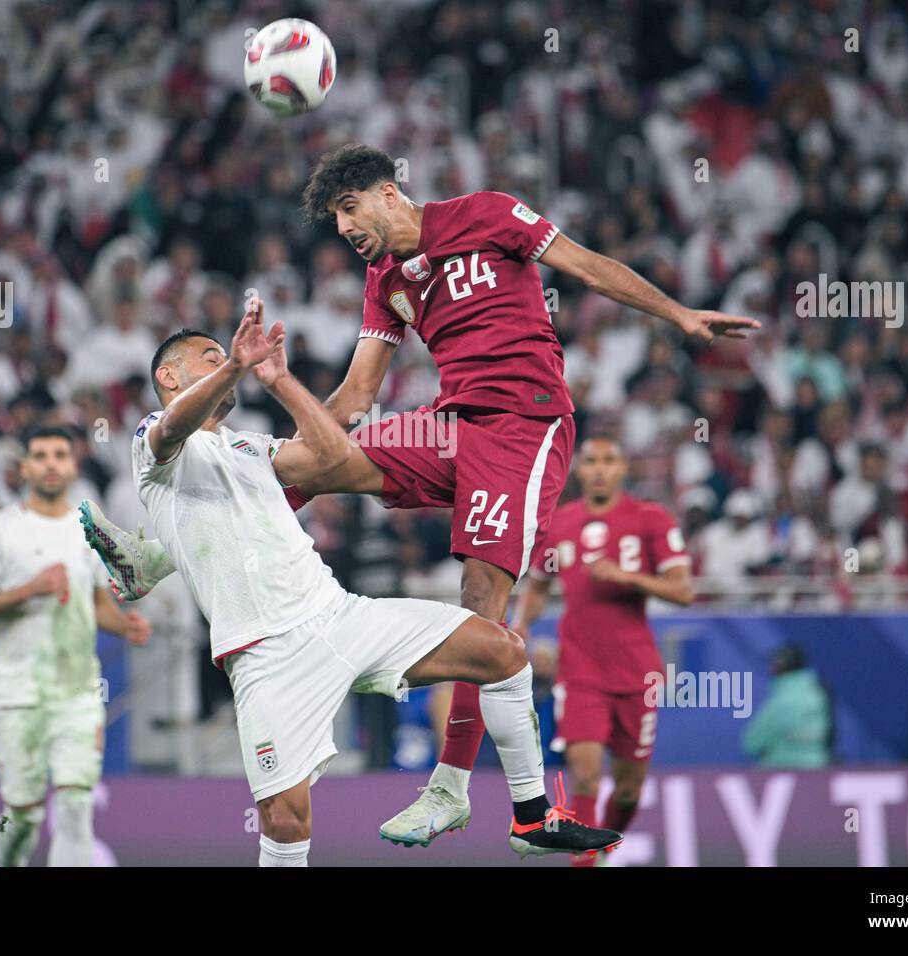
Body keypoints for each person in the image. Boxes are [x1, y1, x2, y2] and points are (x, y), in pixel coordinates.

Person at [84, 142, 758, 846]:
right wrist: (291, 420)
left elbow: (588, 268)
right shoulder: (385, 280)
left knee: (479, 608)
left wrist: (679, 315)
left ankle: (457, 789)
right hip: (448, 427)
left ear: (386, 192)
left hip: (524, 427)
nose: (345, 228)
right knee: (321, 462)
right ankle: (155, 556)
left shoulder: (489, 214)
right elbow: (355, 397)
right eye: (335, 219)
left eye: (349, 209)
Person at [83, 298, 621, 865]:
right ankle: (148, 561)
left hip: (340, 616)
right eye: (209, 354)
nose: (226, 358)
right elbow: (173, 426)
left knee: (503, 651)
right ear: (169, 375)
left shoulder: (250, 446)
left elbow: (336, 455)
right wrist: (235, 365)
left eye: (225, 353)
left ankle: (532, 818)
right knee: (286, 822)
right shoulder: (152, 441)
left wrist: (283, 381)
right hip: (265, 654)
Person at [0, 426, 152, 866]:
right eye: (40, 455)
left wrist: (124, 626)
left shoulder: (88, 529)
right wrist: (30, 589)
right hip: (17, 692)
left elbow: (97, 602)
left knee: (76, 805)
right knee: (21, 817)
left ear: (72, 465)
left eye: (59, 454)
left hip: (78, 692)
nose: (50, 463)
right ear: (24, 467)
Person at [511, 437, 692, 866]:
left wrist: (630, 577)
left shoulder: (649, 518)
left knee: (628, 791)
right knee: (586, 773)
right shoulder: (560, 524)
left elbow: (683, 591)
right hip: (580, 670)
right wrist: (520, 625)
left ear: (623, 468)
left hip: (636, 672)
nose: (599, 469)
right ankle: (585, 861)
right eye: (590, 461)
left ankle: (605, 846)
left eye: (609, 460)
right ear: (578, 469)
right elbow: (538, 585)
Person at [742, 644, 831, 768]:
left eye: (774, 663)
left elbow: (752, 743)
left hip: (782, 769)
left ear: (781, 665)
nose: (770, 668)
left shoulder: (784, 700)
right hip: (818, 767)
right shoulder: (818, 693)